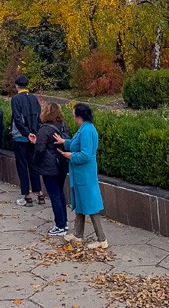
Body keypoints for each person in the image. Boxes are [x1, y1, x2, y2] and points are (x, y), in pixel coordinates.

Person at [56, 103, 107, 248]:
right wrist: (64, 142)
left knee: (90, 205)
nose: (73, 118)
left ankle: (101, 239)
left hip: (84, 173)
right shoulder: (85, 128)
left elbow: (85, 155)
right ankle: (78, 234)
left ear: (79, 117)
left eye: (74, 116)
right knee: (81, 202)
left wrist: (70, 156)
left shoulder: (86, 131)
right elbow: (77, 144)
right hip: (81, 173)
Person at [29, 102, 71, 235]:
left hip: (49, 166)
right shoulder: (63, 125)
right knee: (60, 193)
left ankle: (59, 225)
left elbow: (40, 150)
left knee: (54, 195)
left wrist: (35, 162)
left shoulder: (44, 129)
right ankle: (64, 222)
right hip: (62, 163)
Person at [10, 75, 43, 206]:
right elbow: (39, 117)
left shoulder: (15, 99)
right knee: (33, 164)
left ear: (17, 85)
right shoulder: (34, 98)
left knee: (22, 166)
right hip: (33, 137)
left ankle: (27, 195)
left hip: (21, 137)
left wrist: (26, 132)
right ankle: (39, 192)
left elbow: (17, 119)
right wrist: (34, 132)